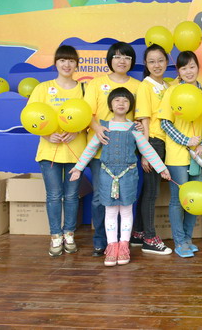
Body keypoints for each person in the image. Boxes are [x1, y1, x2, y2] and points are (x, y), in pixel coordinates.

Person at [70, 88, 170, 267]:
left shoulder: (134, 128)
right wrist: (78, 168)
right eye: (117, 100)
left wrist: (161, 168)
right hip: (107, 176)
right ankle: (112, 247)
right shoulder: (103, 127)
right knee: (109, 211)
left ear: (130, 105)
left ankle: (124, 246)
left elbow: (147, 149)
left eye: (125, 100)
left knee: (126, 210)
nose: (121, 103)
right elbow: (91, 149)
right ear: (110, 105)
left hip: (128, 176)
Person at [28, 46, 87, 257]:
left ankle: (69, 234)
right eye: (62, 60)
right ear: (56, 63)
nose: (67, 64)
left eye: (71, 61)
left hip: (76, 151)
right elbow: (31, 117)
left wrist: (77, 131)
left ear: (76, 64)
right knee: (54, 195)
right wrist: (46, 135)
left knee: (71, 196)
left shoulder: (84, 89)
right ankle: (55, 236)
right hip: (49, 151)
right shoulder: (43, 89)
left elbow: (91, 117)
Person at [83, 42, 141, 257]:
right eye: (117, 56)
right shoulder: (96, 84)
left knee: (126, 199)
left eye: (126, 57)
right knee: (100, 198)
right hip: (100, 153)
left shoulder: (138, 86)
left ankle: (123, 243)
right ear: (110, 59)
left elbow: (141, 116)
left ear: (132, 61)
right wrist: (98, 128)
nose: (122, 61)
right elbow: (86, 113)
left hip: (126, 156)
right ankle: (102, 242)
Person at [158, 51, 202, 258]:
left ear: (198, 68)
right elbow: (165, 122)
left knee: (194, 198)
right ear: (178, 71)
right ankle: (179, 241)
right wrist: (185, 140)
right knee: (178, 200)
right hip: (177, 154)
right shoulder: (172, 91)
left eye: (192, 66)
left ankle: (188, 238)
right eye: (184, 67)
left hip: (198, 156)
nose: (188, 71)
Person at [131, 44, 172, 255]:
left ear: (167, 62)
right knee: (152, 192)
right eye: (152, 61)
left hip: (164, 142)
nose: (157, 65)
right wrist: (145, 153)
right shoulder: (145, 86)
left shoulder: (167, 86)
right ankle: (150, 238)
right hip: (152, 142)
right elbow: (144, 120)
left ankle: (138, 233)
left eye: (160, 60)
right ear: (146, 64)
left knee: (149, 190)